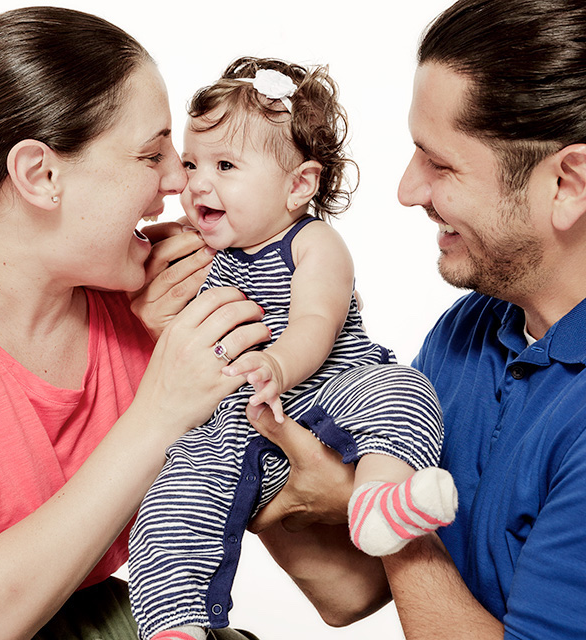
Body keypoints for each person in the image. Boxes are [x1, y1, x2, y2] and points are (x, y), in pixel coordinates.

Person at [247, 0, 586, 638]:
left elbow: (397, 555)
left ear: (567, 183)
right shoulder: (471, 330)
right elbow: (351, 592)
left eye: (440, 163)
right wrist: (242, 410)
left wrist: (377, 514)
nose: (407, 191)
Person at [0, 7, 270, 640]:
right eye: (151, 154)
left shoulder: (143, 307)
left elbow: (342, 590)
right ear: (41, 175)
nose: (178, 180)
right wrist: (159, 411)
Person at [127, 57, 457, 640]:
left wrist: (277, 365)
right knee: (172, 494)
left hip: (333, 392)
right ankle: (174, 622)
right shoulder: (198, 250)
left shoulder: (313, 243)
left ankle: (380, 497)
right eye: (193, 162)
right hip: (238, 423)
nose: (196, 183)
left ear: (299, 185)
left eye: (226, 166)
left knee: (404, 391)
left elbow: (314, 322)